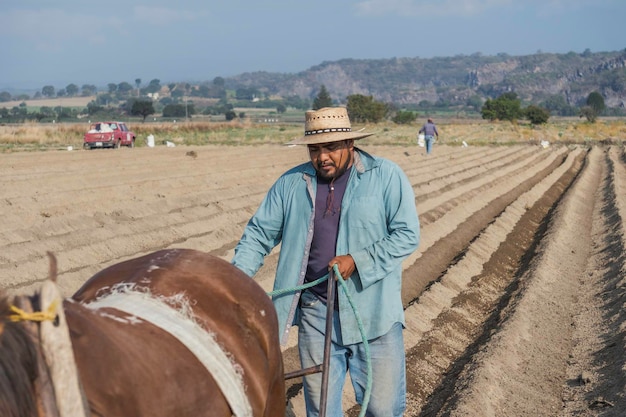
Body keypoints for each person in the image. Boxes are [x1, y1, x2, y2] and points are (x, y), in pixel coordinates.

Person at [231, 107, 420, 417]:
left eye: (330, 147)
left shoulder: (385, 176)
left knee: (384, 410)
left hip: (373, 312)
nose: (322, 157)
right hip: (315, 314)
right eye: (315, 149)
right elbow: (258, 236)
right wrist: (233, 283)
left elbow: (407, 235)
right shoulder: (292, 184)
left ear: (349, 144)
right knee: (321, 411)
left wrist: (357, 261)